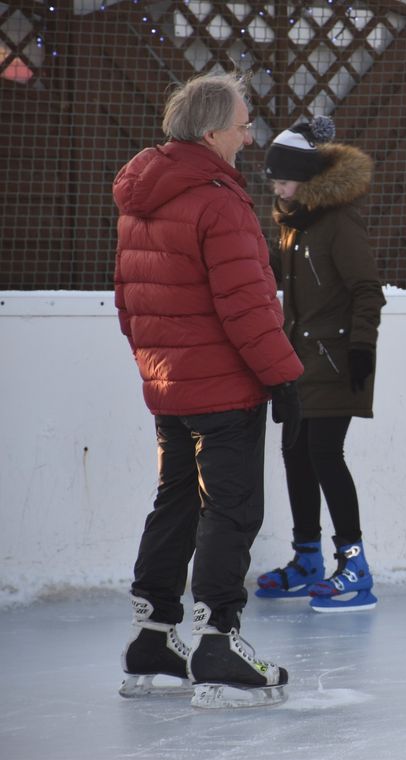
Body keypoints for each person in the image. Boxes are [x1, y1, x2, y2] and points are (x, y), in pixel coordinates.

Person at [114, 72, 303, 707]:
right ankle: (217, 641)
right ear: (213, 129)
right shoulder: (217, 199)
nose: (251, 135)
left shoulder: (144, 194)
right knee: (232, 508)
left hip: (169, 383)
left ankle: (153, 636)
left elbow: (129, 300)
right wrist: (282, 376)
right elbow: (247, 304)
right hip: (224, 387)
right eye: (244, 124)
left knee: (176, 503)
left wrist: (156, 364)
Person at [254, 116, 385, 612]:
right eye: (275, 180)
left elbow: (366, 290)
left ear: (308, 178)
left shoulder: (337, 221)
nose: (278, 187)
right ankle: (306, 557)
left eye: (285, 178)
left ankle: (355, 565)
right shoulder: (294, 225)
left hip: (337, 361)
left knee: (326, 455)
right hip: (299, 363)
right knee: (296, 454)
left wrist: (361, 351)